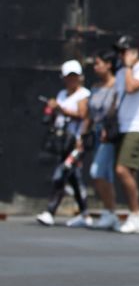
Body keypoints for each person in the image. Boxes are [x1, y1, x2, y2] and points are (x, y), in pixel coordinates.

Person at [108, 35, 139, 234]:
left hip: (138, 127)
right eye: (119, 52)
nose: (120, 56)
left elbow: (131, 87)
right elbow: (117, 100)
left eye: (124, 51)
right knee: (129, 174)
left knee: (121, 170)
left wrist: (128, 67)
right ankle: (134, 215)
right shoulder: (120, 73)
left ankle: (136, 214)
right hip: (122, 127)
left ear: (134, 52)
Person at [36, 60, 92, 227]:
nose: (71, 80)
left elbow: (82, 115)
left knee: (61, 175)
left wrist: (59, 108)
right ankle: (85, 215)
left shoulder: (84, 94)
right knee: (73, 178)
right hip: (62, 143)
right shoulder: (62, 94)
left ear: (80, 77)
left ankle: (49, 212)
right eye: (69, 77)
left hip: (75, 143)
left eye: (74, 76)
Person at [80, 50, 120, 230]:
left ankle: (111, 212)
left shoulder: (117, 87)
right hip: (95, 134)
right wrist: (82, 134)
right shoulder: (95, 87)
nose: (95, 67)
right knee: (104, 175)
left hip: (108, 135)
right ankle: (109, 212)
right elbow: (89, 115)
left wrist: (108, 129)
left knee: (98, 172)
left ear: (108, 65)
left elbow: (116, 112)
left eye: (98, 63)